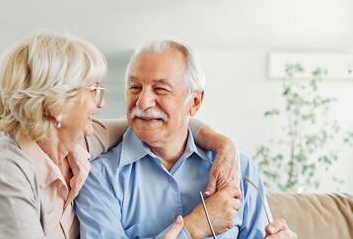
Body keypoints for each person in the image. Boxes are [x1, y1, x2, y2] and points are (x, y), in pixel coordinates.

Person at [0, 31, 241, 239]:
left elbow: (154, 122)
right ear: (56, 105)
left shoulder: (80, 142)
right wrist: (195, 225)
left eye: (160, 89)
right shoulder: (9, 171)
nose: (100, 104)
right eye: (93, 90)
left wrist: (225, 145)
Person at [75, 38, 298, 238]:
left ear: (195, 102)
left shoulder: (239, 168)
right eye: (135, 87)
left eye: (160, 89)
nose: (142, 102)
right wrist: (195, 226)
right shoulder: (98, 178)